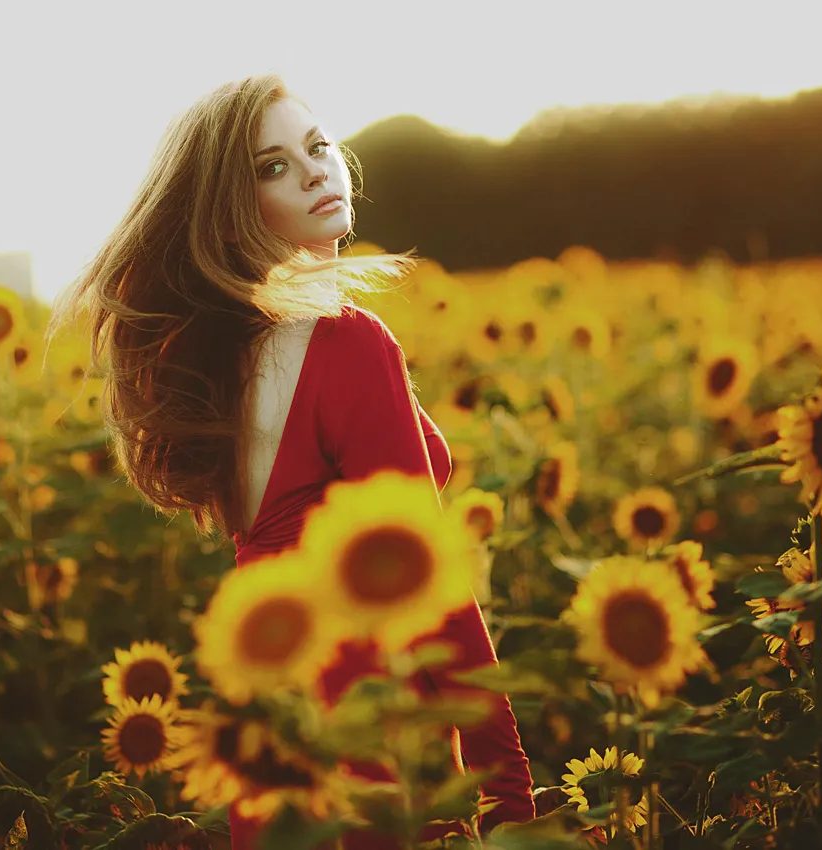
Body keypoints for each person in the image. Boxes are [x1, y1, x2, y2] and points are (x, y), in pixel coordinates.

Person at [47, 73, 534, 849]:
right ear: (230, 214)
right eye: (271, 166)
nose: (314, 170)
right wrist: (512, 796)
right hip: (374, 729)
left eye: (318, 146)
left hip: (272, 731)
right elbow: (430, 585)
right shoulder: (348, 342)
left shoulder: (221, 366)